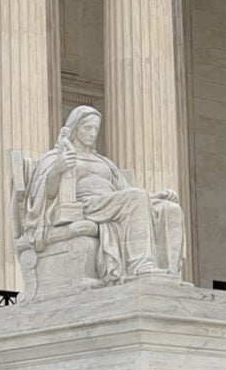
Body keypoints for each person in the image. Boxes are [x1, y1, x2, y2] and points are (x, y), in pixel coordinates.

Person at [14, 105, 186, 288]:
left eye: (95, 129)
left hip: (113, 204)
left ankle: (170, 275)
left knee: (171, 209)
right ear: (75, 128)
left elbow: (127, 191)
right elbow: (44, 193)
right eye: (87, 128)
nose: (92, 133)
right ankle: (140, 266)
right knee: (135, 198)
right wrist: (58, 168)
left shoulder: (105, 162)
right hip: (86, 206)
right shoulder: (56, 157)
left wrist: (156, 196)